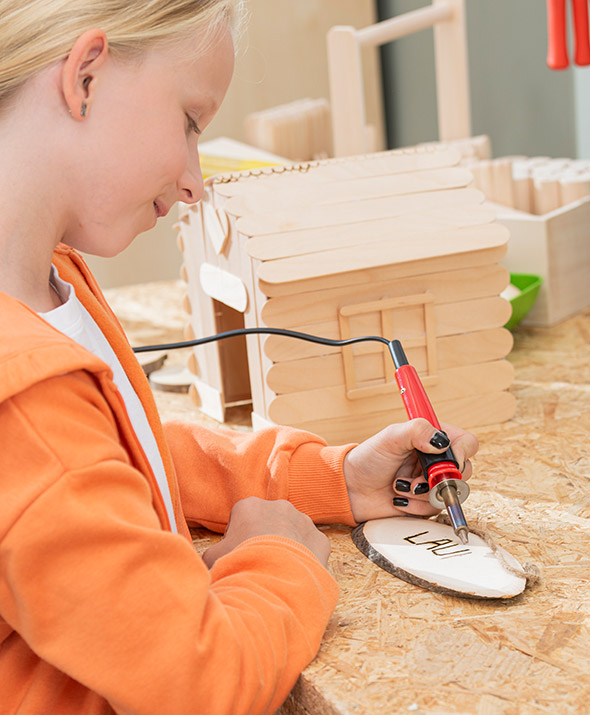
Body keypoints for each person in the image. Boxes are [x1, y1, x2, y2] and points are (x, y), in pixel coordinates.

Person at [0, 1, 479, 713]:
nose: (195, 180)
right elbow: (202, 682)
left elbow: (115, 460)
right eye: (191, 121)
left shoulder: (50, 283)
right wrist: (279, 555)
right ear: (87, 76)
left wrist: (328, 479)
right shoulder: (24, 390)